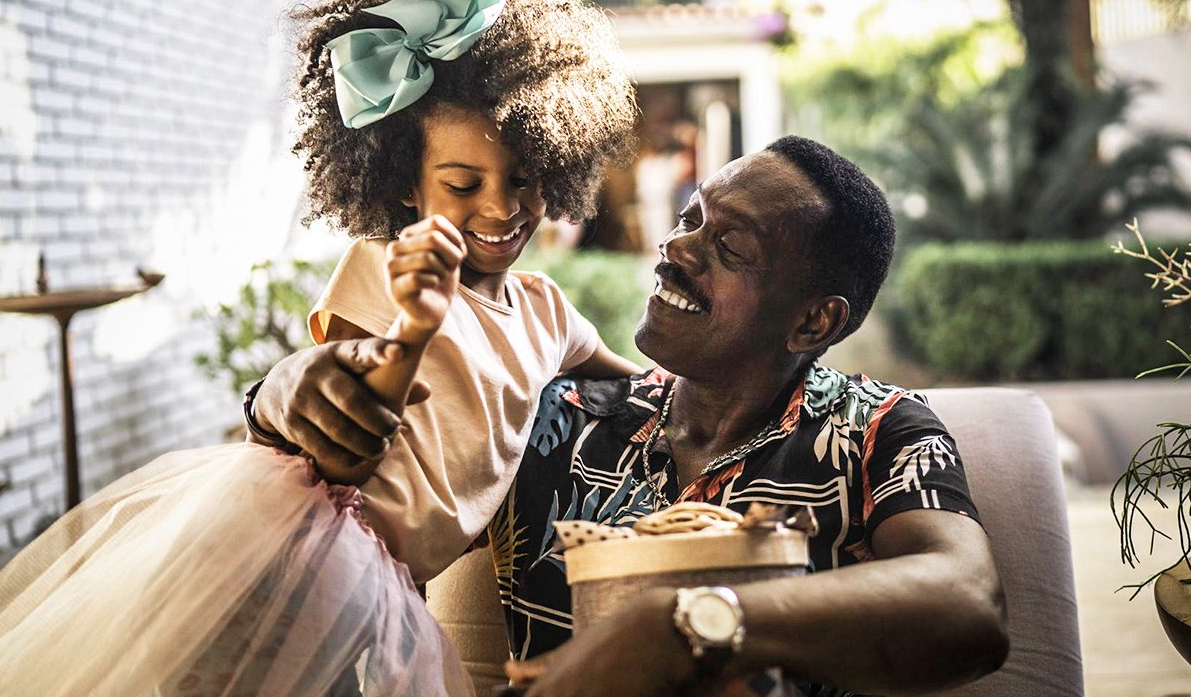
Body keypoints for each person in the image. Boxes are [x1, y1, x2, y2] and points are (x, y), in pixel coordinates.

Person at [0, 0, 638, 696]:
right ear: (404, 185)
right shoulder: (387, 275)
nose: (503, 206)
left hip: (392, 578)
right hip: (311, 543)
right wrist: (418, 324)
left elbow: (640, 383)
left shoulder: (546, 309)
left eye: (528, 175)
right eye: (463, 185)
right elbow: (351, 444)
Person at [260, 135, 1010, 696]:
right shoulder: (555, 416)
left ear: (813, 323)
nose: (676, 248)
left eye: (728, 246)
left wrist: (684, 625)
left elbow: (969, 604)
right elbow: (363, 481)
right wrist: (287, 392)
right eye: (690, 218)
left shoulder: (879, 430)